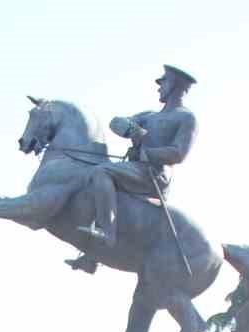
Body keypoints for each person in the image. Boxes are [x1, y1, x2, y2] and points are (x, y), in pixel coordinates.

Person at [76, 64, 198, 251]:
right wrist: (132, 129)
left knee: (102, 172)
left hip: (154, 174)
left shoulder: (186, 118)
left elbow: (179, 153)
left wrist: (145, 153)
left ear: (174, 85)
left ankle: (107, 233)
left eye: (163, 82)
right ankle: (91, 257)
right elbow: (115, 122)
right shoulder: (149, 116)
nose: (159, 86)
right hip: (137, 170)